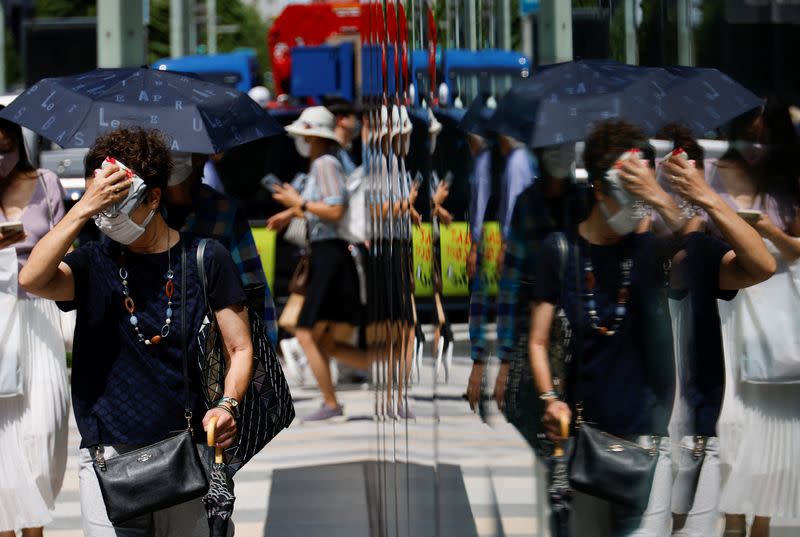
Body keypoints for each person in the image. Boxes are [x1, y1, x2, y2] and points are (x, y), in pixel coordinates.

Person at [531, 120, 775, 537]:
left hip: (681, 446)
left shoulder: (672, 253)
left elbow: (760, 266)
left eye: (643, 183)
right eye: (627, 183)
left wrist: (705, 200)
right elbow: (540, 338)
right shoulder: (566, 252)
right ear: (598, 187)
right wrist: (550, 398)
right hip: (603, 446)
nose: (638, 200)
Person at [18, 127, 254, 536]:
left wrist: (227, 405)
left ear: (154, 197)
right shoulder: (93, 263)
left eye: (118, 204)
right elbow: (33, 279)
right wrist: (80, 211)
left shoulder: (204, 259)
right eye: (101, 207)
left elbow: (240, 348)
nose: (109, 218)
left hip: (186, 451)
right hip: (108, 458)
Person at [713, 102, 800, 537]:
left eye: (765, 137)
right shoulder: (717, 172)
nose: (756, 146)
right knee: (730, 420)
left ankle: (761, 524)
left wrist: (768, 230)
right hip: (729, 313)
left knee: (769, 429)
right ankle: (732, 521)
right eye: (749, 134)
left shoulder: (788, 184)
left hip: (776, 318)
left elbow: (797, 250)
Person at [268, 106, 367, 422]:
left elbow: (335, 211)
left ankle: (331, 401)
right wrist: (293, 212)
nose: (302, 141)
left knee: (308, 331)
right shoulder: (322, 164)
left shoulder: (325, 164)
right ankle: (387, 372)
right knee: (323, 338)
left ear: (314, 136)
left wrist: (298, 204)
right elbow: (323, 207)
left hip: (330, 255)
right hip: (326, 253)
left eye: (305, 136)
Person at [0, 113, 70, 537]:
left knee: (45, 433)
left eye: (6, 148)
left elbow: (64, 244)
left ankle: (34, 526)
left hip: (40, 314)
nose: (1, 158)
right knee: (4, 443)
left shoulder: (45, 181)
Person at [164, 151, 278, 347]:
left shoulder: (224, 211)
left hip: (212, 351)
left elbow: (252, 284)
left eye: (182, 152)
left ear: (199, 158)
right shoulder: (139, 212)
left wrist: (264, 347)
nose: (173, 156)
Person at [323, 96, 361, 176]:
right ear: (341, 119)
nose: (358, 122)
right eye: (355, 117)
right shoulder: (332, 156)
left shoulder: (344, 151)